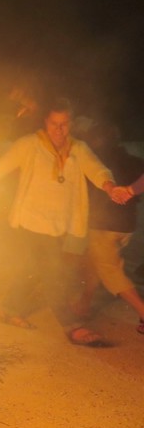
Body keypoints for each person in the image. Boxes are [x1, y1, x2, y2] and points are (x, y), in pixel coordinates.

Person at [0, 97, 123, 347]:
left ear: (71, 124)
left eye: (64, 124)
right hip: (28, 223)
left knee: (29, 271)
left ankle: (9, 309)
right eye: (55, 124)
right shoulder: (29, 145)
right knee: (52, 275)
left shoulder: (78, 149)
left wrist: (110, 187)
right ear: (46, 122)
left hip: (58, 227)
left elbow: (97, 170)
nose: (59, 130)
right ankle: (72, 325)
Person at [68, 121, 144, 335]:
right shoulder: (133, 160)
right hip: (127, 226)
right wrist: (131, 190)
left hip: (104, 225)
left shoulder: (94, 161)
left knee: (111, 271)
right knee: (96, 261)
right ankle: (84, 302)